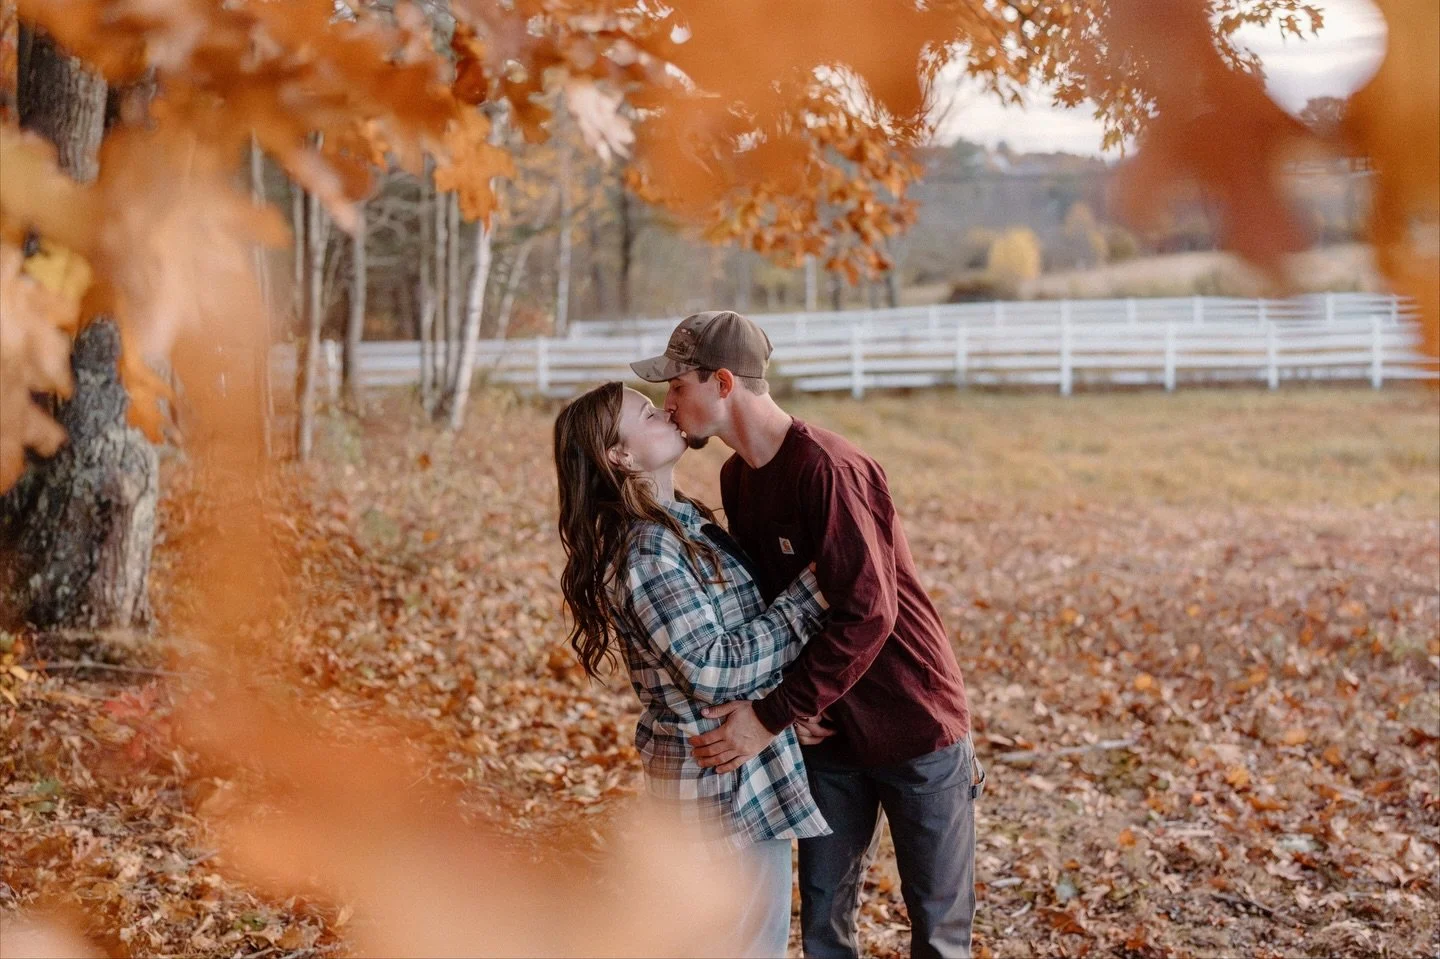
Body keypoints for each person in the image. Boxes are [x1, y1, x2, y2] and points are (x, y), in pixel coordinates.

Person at [631, 311, 984, 959]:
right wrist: (802, 707)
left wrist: (771, 714)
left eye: (677, 386)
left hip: (914, 723)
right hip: (828, 736)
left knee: (938, 933)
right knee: (824, 927)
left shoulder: (827, 467)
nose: (669, 403)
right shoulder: (738, 480)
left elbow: (867, 611)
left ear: (725, 382)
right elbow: (776, 606)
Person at [552, 380, 832, 958]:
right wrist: (810, 596)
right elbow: (710, 667)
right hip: (718, 783)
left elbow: (725, 636)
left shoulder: (679, 523)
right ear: (620, 457)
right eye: (648, 414)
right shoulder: (646, 550)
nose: (668, 412)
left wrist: (785, 706)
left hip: (736, 770)